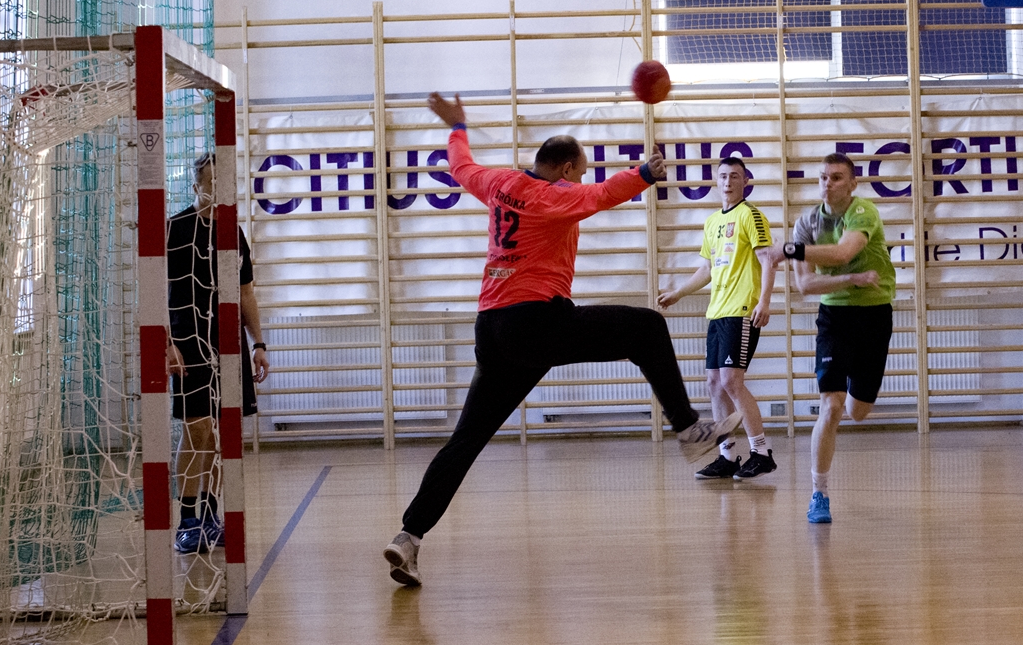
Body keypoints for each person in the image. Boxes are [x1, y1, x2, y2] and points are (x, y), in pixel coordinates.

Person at [382, 92, 741, 586]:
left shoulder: (499, 183)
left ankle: (409, 537)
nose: (581, 180)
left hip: (491, 329)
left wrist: (457, 126)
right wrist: (643, 174)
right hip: (535, 323)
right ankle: (688, 429)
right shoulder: (554, 197)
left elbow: (462, 167)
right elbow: (600, 195)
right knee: (647, 327)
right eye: (579, 171)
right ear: (567, 168)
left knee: (465, 442)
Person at [772, 152, 895, 523]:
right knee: (831, 405)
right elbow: (806, 284)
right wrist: (850, 280)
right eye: (823, 177)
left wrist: (789, 250)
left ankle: (856, 391)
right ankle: (819, 493)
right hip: (834, 318)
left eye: (837, 177)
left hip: (874, 314)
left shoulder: (863, 212)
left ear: (852, 184)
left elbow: (843, 253)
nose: (828, 183)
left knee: (857, 412)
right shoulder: (807, 222)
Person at [167, 153, 270, 553]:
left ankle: (210, 515)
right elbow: (155, 292)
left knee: (222, 434)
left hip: (228, 343)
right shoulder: (176, 228)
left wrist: (258, 343)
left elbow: (246, 292)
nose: (219, 191)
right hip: (188, 342)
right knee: (197, 431)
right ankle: (187, 520)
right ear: (197, 187)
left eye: (224, 184)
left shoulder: (233, 231)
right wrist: (166, 343)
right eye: (211, 183)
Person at [657, 156, 776, 481]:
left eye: (734, 176)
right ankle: (727, 456)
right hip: (718, 312)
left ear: (745, 181)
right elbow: (708, 269)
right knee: (714, 383)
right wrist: (679, 292)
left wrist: (764, 301)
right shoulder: (712, 222)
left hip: (741, 310)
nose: (727, 182)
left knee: (732, 381)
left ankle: (761, 452)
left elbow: (768, 260)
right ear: (716, 180)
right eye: (723, 176)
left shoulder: (751, 215)